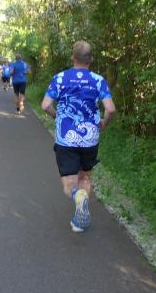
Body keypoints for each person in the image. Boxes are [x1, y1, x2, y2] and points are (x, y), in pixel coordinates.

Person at [41, 41, 115, 232]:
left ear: (73, 57)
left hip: (66, 137)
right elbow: (110, 109)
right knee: (85, 176)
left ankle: (77, 197)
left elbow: (45, 105)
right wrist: (104, 123)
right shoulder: (98, 80)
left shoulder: (60, 78)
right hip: (90, 138)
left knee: (69, 183)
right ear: (91, 59)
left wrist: (56, 116)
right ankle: (79, 217)